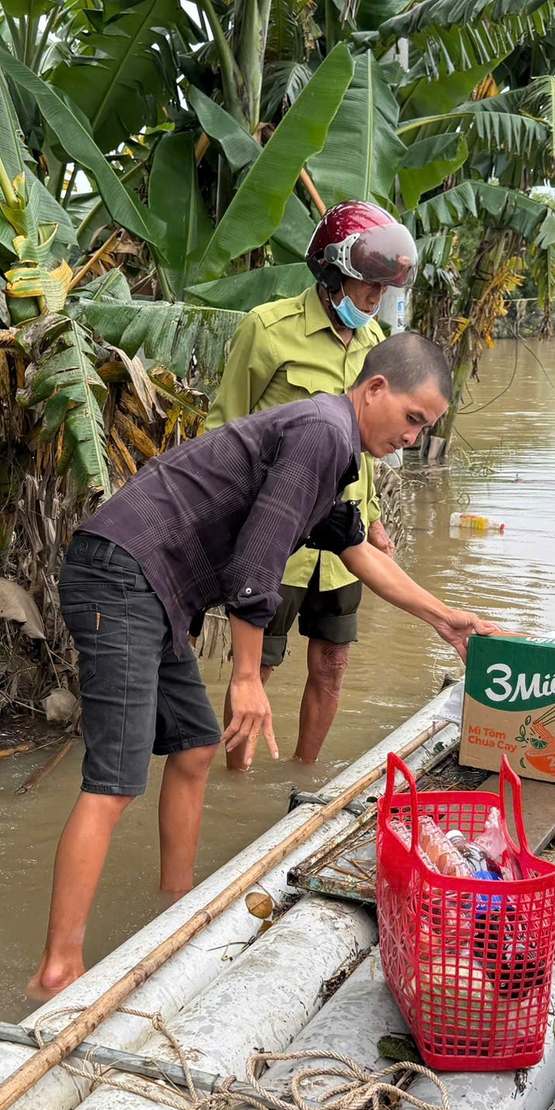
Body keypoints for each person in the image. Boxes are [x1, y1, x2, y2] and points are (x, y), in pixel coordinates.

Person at [27, 332, 492, 999]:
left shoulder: (330, 448)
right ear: (376, 388)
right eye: (413, 419)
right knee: (115, 781)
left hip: (152, 588)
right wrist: (247, 676)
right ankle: (57, 970)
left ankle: (175, 907)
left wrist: (443, 616)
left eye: (426, 428)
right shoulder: (324, 433)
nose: (413, 437)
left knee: (193, 745)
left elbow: (357, 551)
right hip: (123, 577)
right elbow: (256, 566)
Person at [204, 201, 419, 767]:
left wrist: (371, 516)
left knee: (333, 664)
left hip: (345, 543)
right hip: (279, 540)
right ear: (328, 272)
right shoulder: (268, 330)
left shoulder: (374, 341)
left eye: (383, 288)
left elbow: (366, 444)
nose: (374, 298)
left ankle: (302, 782)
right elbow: (222, 431)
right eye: (366, 283)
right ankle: (239, 782)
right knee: (259, 667)